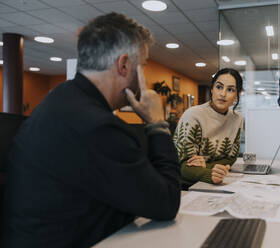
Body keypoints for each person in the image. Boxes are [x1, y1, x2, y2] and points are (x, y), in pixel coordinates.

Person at [1, 13, 181, 248]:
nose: (144, 76)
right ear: (124, 65)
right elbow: (166, 202)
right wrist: (157, 123)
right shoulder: (97, 126)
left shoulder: (59, 100)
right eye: (143, 66)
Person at [173, 68, 244, 189]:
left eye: (230, 89)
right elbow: (182, 166)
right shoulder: (193, 115)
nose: (223, 94)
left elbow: (231, 159)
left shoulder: (237, 119)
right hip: (184, 186)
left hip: (216, 183)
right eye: (219, 87)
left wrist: (204, 166)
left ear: (237, 95)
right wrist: (209, 173)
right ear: (212, 89)